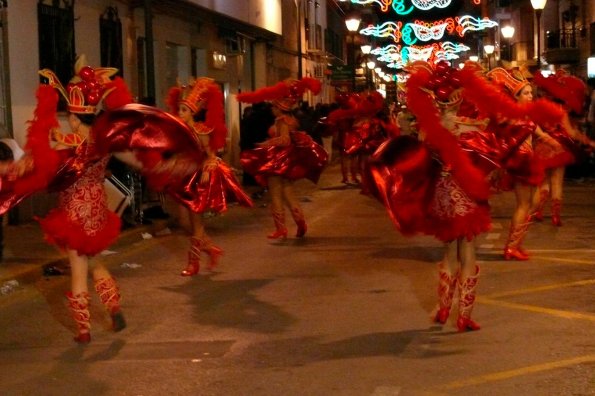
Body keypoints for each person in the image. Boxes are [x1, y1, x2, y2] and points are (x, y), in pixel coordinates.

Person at [0, 56, 133, 343]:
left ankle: (83, 330)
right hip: (97, 209)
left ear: (74, 116)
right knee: (95, 262)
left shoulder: (68, 143)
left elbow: (42, 165)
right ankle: (114, 307)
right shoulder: (103, 142)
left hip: (74, 213)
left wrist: (45, 112)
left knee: (77, 269)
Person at [370, 61, 492, 331]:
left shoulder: (427, 131)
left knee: (448, 252)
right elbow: (487, 157)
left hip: (441, 196)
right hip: (465, 195)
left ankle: (444, 309)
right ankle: (464, 315)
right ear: (458, 99)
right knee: (468, 252)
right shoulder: (471, 127)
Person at [161, 78, 253, 276]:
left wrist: (205, 169)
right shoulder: (180, 131)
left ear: (193, 111)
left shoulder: (201, 131)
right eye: (179, 109)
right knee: (184, 223)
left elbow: (212, 155)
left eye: (184, 110)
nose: (180, 113)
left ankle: (193, 263)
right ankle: (211, 250)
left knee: (196, 224)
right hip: (183, 178)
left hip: (198, 180)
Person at [237, 78, 328, 239]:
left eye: (273, 106)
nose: (272, 109)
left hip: (277, 161)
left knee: (276, 195)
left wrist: (267, 143)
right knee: (289, 194)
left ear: (279, 107)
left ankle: (281, 228)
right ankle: (300, 224)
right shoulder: (291, 120)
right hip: (286, 161)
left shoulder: (281, 121)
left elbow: (284, 140)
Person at [530, 70, 595, 226]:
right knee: (557, 182)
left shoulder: (539, 108)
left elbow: (534, 129)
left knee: (543, 182)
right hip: (559, 149)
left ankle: (538, 211)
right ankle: (555, 216)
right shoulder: (561, 112)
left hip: (542, 147)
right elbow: (571, 133)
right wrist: (587, 140)